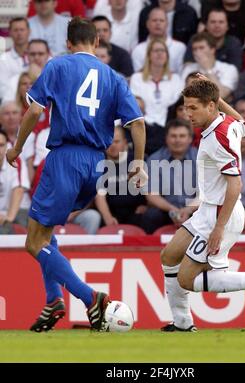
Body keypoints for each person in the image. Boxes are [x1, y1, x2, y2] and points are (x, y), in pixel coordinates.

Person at [6, 17, 147, 332]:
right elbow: (136, 123)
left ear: (68, 43)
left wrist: (16, 148)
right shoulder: (114, 77)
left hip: (66, 157)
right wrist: (138, 162)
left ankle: (90, 298)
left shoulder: (58, 66)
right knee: (46, 233)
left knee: (32, 242)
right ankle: (53, 300)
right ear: (97, 42)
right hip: (96, 165)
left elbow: (34, 110)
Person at [160, 75, 245, 332]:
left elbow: (236, 184)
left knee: (188, 278)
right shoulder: (227, 122)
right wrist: (218, 98)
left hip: (222, 213)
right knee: (169, 257)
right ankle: (182, 323)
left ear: (210, 107)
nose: (187, 113)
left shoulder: (218, 139)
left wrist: (219, 229)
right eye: (186, 107)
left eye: (193, 107)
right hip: (208, 209)